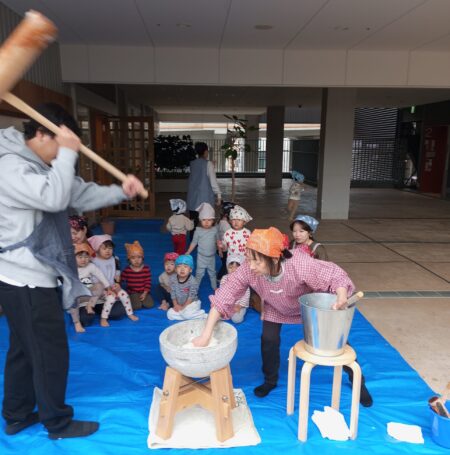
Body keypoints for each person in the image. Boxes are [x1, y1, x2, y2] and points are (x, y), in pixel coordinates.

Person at [0, 103, 144, 439]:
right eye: (59, 145)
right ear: (41, 134)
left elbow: (74, 191)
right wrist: (66, 152)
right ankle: (58, 423)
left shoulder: (39, 163)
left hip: (33, 275)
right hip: (25, 279)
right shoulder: (10, 167)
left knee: (23, 348)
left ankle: (17, 414)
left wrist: (119, 191)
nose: (62, 155)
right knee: (50, 351)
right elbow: (53, 197)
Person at [193, 227, 373, 406]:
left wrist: (341, 296)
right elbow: (224, 296)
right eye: (249, 259)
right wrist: (206, 335)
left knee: (335, 340)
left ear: (274, 259)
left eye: (257, 262)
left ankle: (358, 381)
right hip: (275, 306)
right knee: (268, 339)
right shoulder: (249, 269)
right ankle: (270, 380)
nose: (251, 266)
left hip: (307, 306)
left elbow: (334, 275)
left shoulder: (300, 264)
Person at [89, 234, 139, 327]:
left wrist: (117, 284)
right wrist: (107, 289)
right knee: (111, 298)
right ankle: (103, 318)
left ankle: (130, 313)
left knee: (124, 295)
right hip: (100, 288)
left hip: (112, 286)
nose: (108, 251)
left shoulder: (115, 259)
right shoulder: (94, 261)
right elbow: (93, 278)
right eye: (104, 248)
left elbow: (117, 273)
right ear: (97, 249)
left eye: (110, 248)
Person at [70, 243, 110, 333]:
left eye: (86, 257)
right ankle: (77, 322)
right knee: (72, 300)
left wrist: (108, 287)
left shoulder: (90, 266)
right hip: (77, 295)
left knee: (100, 285)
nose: (83, 260)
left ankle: (90, 305)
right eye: (80, 257)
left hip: (89, 293)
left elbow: (100, 275)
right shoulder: (71, 268)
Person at [186, 142, 222, 230]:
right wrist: (219, 195)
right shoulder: (208, 164)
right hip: (205, 199)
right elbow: (213, 182)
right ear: (206, 151)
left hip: (193, 197)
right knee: (207, 223)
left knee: (193, 223)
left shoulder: (192, 163)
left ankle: (192, 238)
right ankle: (206, 238)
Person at [185, 202, 219, 290]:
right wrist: (188, 251)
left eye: (209, 220)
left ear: (213, 220)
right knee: (199, 273)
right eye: (204, 220)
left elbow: (217, 241)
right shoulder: (198, 231)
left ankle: (215, 287)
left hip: (211, 257)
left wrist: (220, 249)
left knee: (212, 272)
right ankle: (195, 288)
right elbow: (194, 242)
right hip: (201, 257)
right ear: (200, 220)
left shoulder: (215, 230)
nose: (206, 222)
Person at [167, 255, 206, 321]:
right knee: (169, 314)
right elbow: (173, 294)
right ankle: (188, 316)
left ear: (190, 270)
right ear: (175, 269)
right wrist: (176, 305)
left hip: (192, 303)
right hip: (179, 304)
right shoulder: (172, 279)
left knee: (187, 314)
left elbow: (191, 297)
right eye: (179, 266)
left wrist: (183, 307)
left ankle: (202, 314)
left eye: (185, 266)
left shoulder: (193, 281)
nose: (182, 269)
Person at [121, 240, 154, 310]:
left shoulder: (146, 268)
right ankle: (134, 299)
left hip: (143, 291)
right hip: (132, 292)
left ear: (142, 258)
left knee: (149, 305)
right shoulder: (127, 269)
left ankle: (142, 297)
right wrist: (117, 280)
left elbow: (148, 282)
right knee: (136, 306)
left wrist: (145, 293)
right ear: (129, 259)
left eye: (139, 257)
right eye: (133, 258)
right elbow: (121, 279)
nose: (136, 260)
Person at [219, 253, 250, 324]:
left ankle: (237, 311)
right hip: (228, 303)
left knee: (237, 319)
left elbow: (246, 295)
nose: (233, 269)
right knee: (217, 312)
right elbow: (222, 292)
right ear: (227, 268)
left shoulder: (244, 280)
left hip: (239, 304)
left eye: (237, 267)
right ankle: (227, 312)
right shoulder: (224, 278)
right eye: (230, 267)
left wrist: (240, 306)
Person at [217, 201, 235, 280]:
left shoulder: (220, 222)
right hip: (225, 249)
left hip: (220, 247)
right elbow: (230, 238)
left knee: (225, 263)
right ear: (227, 215)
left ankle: (221, 276)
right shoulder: (226, 226)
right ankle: (219, 277)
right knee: (226, 264)